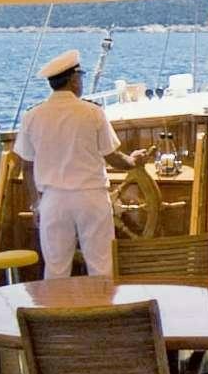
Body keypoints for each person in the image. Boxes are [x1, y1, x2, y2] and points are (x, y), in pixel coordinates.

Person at [14, 49, 132, 278]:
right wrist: (133, 161)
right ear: (73, 79)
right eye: (80, 78)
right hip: (91, 197)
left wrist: (35, 204)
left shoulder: (32, 116)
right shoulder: (93, 113)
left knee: (56, 270)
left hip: (53, 200)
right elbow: (113, 157)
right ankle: (103, 312)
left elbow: (26, 166)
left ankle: (57, 313)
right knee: (102, 268)